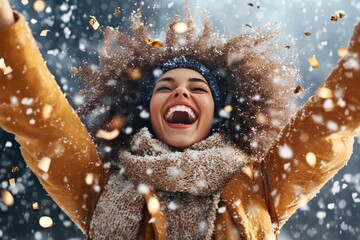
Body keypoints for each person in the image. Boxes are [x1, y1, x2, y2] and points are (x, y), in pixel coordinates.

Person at [1, 0, 360, 239]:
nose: (181, 93)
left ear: (216, 117)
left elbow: (330, 124)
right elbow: (43, 126)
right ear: (149, 115)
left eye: (198, 88)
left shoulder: (258, 185)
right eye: (166, 87)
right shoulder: (97, 188)